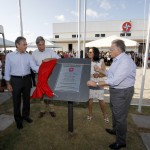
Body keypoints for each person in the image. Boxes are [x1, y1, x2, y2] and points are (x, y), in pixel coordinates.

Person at [87, 40, 136, 150]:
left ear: (118, 50)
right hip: (116, 91)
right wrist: (100, 70)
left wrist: (96, 83)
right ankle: (115, 130)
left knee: (120, 117)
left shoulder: (125, 62)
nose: (109, 50)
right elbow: (110, 74)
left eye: (111, 49)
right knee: (115, 112)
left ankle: (121, 141)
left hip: (122, 92)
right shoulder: (117, 60)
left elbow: (114, 80)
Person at [4, 36, 39, 129]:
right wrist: (8, 83)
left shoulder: (28, 56)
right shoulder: (9, 56)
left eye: (26, 44)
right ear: (17, 45)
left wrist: (45, 66)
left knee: (27, 100)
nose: (26, 46)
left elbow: (35, 68)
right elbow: (7, 70)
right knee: (16, 102)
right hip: (15, 81)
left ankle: (26, 116)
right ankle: (18, 121)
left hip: (27, 80)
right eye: (24, 44)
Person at [32, 36, 60, 118]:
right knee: (41, 93)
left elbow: (58, 59)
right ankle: (42, 110)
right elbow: (32, 66)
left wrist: (49, 59)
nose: (42, 46)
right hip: (39, 76)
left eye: (43, 44)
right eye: (40, 45)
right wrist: (41, 69)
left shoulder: (50, 51)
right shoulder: (34, 53)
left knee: (49, 91)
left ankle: (52, 110)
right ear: (37, 45)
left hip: (50, 76)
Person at [87, 47, 109, 124]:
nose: (88, 53)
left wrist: (98, 75)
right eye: (88, 52)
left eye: (90, 52)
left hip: (99, 82)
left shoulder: (101, 61)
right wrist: (91, 76)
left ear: (95, 53)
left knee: (101, 100)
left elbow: (104, 73)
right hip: (90, 82)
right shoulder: (87, 61)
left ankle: (105, 115)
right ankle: (90, 114)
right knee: (90, 100)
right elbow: (85, 73)